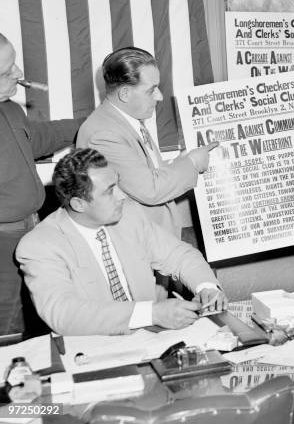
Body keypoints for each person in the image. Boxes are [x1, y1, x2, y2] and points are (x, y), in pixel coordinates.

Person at [16, 148, 226, 336]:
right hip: (94, 351)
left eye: (116, 184)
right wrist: (150, 314)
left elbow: (178, 255)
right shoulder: (40, 245)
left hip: (153, 338)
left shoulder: (129, 214)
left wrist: (206, 288)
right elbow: (64, 314)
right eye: (109, 191)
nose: (121, 196)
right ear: (79, 204)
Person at [77, 47, 217, 238]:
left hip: (153, 235)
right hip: (136, 243)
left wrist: (179, 162)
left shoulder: (125, 119)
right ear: (125, 94)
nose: (159, 96)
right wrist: (192, 163)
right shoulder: (104, 134)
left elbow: (141, 173)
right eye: (151, 90)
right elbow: (150, 190)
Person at [0, 33, 83, 336]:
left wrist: (87, 124)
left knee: (42, 316)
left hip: (32, 230)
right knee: (6, 324)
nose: (19, 74)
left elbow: (35, 139)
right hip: (3, 240)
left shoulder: (9, 108)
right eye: (7, 71)